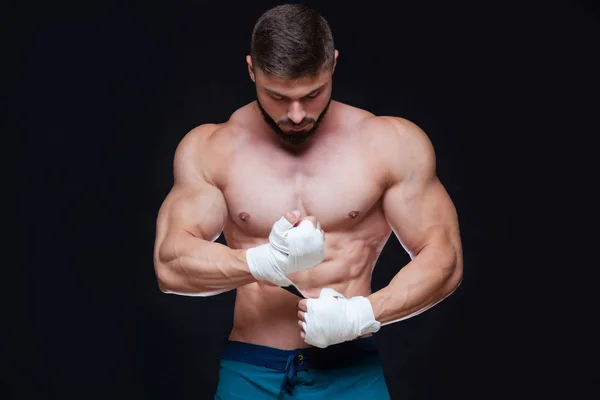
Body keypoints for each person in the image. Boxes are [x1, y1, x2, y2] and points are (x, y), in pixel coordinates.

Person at [153, 4, 463, 399]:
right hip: (250, 369)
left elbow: (445, 257)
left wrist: (362, 315)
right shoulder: (211, 149)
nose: (296, 114)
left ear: (333, 66)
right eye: (277, 96)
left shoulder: (389, 144)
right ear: (252, 71)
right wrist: (264, 262)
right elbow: (170, 264)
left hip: (350, 370)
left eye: (312, 94)